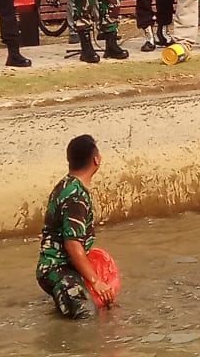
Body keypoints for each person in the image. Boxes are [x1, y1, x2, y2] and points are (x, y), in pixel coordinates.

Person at [35, 135, 118, 319]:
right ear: (96, 159)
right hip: (57, 269)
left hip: (65, 268)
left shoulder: (66, 185)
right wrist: (96, 282)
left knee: (106, 309)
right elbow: (72, 243)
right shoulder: (76, 196)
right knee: (86, 314)